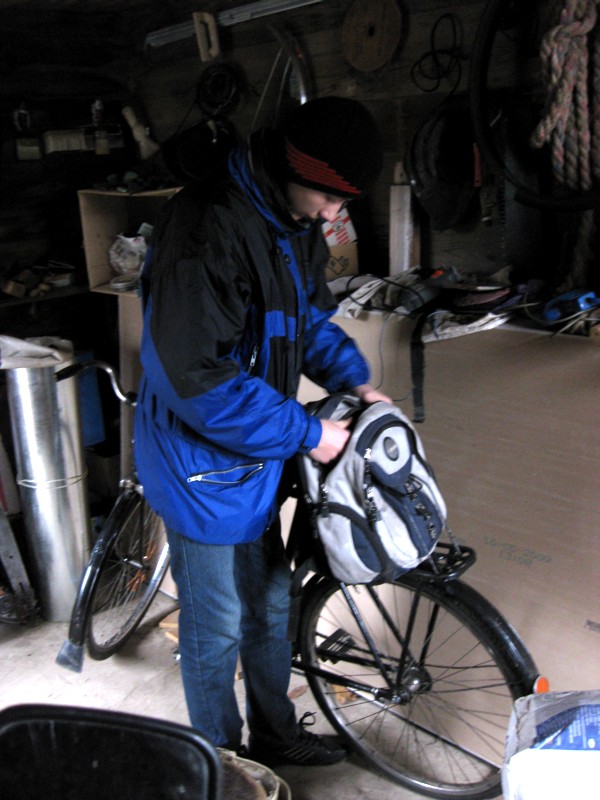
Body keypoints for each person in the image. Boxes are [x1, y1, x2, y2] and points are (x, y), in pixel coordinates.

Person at [133, 96, 391, 767]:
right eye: (329, 198)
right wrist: (308, 431)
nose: (334, 215)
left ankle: (275, 737)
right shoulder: (206, 228)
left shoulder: (291, 220)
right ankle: (223, 766)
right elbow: (200, 381)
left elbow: (305, 323)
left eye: (343, 202)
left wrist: (356, 383)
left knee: (272, 603)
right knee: (216, 625)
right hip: (197, 460)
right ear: (295, 170)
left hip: (253, 448)